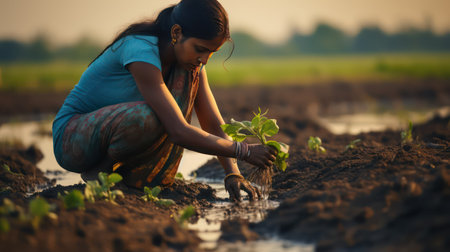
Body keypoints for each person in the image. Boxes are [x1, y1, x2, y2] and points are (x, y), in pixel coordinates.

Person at [52, 0, 276, 202]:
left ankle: (126, 178)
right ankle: (99, 173)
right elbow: (177, 129)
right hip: (72, 138)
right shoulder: (140, 49)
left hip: (110, 132)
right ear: (176, 33)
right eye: (200, 49)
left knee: (175, 95)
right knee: (151, 117)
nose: (204, 59)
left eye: (211, 53)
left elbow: (213, 123)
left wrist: (233, 173)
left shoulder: (190, 67)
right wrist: (244, 151)